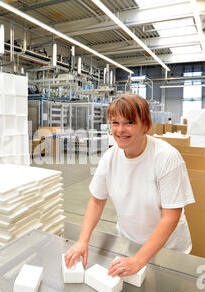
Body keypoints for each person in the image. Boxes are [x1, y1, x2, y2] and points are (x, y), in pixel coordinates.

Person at [64, 94, 195, 278]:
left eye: (129, 123)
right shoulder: (110, 158)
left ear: (146, 126)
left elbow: (170, 217)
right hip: (130, 244)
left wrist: (140, 260)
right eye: (115, 122)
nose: (120, 130)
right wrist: (82, 240)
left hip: (169, 251)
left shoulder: (167, 158)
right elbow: (96, 201)